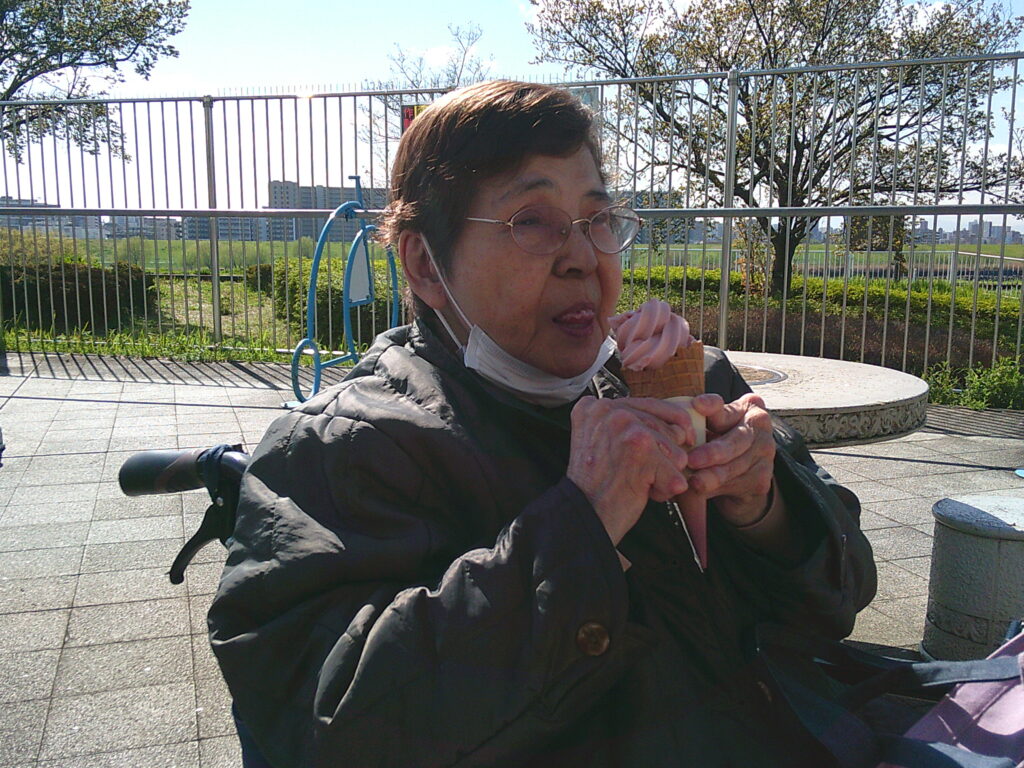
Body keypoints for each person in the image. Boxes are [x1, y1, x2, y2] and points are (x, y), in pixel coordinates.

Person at [208, 80, 876, 768]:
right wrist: (581, 523)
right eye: (531, 221)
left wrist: (766, 506)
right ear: (425, 264)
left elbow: (845, 596)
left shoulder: (695, 385)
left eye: (597, 218)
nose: (583, 256)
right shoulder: (347, 447)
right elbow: (326, 726)